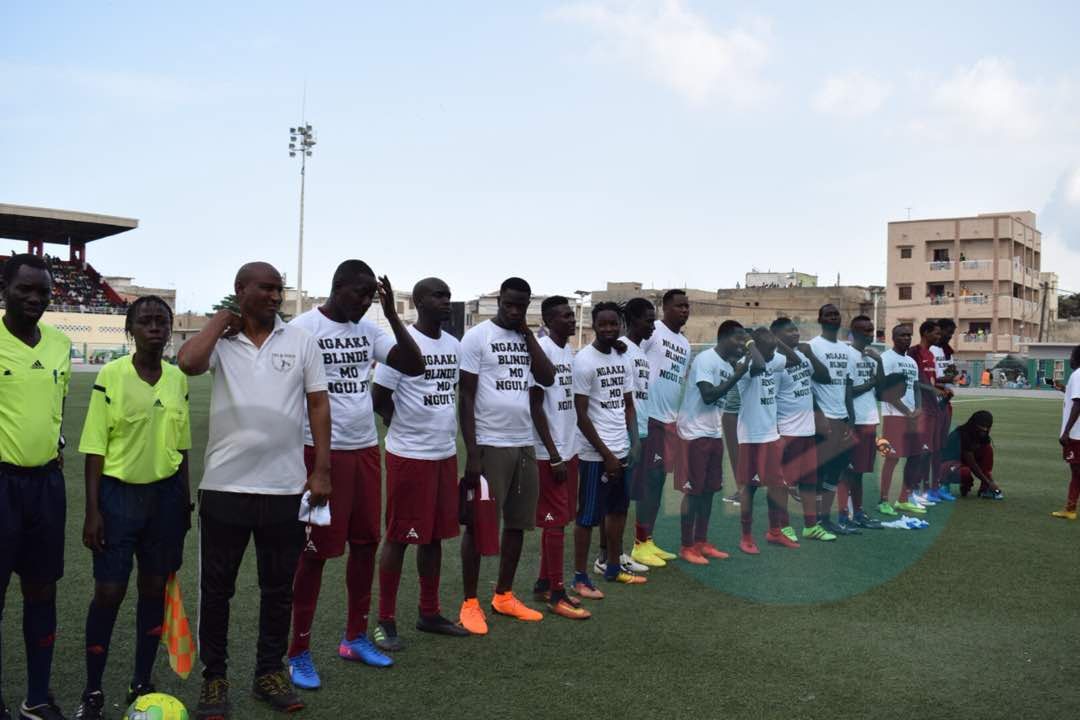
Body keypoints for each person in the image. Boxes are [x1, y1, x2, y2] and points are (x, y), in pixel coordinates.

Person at [177, 262, 331, 717]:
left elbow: (318, 405)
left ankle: (269, 672)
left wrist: (321, 469)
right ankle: (214, 679)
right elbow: (188, 363)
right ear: (240, 289)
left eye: (278, 289)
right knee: (217, 591)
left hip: (284, 488)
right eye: (265, 288)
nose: (275, 296)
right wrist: (220, 321)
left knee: (278, 589)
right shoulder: (222, 342)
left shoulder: (300, 341)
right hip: (224, 486)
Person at [286, 261, 425, 688]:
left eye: (371, 296)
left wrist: (393, 315)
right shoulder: (303, 328)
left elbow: (413, 364)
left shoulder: (369, 330)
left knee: (365, 544)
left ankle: (354, 637)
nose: (366, 302)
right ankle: (298, 652)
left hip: (364, 449)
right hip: (317, 451)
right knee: (314, 554)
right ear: (337, 287)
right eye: (359, 293)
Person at [73, 297, 190, 720]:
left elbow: (182, 445)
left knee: (154, 589)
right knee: (109, 592)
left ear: (170, 329)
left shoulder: (177, 378)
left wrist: (185, 501)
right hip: (118, 498)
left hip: (165, 500)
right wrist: (93, 510)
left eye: (162, 321)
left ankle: (141, 680)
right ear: (131, 330)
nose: (155, 328)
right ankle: (92, 690)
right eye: (145, 321)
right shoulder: (111, 374)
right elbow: (94, 446)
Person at [371, 277, 473, 647]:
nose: (446, 301)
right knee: (400, 536)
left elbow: (451, 393)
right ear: (419, 301)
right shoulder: (401, 344)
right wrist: (398, 420)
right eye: (438, 295)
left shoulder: (454, 344)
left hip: (444, 453)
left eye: (448, 295)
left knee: (434, 537)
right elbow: (379, 396)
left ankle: (429, 612)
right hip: (410, 455)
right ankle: (385, 620)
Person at [457, 277, 556, 634]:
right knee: (479, 524)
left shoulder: (527, 338)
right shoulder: (477, 337)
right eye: (509, 304)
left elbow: (547, 377)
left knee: (517, 524)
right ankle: (470, 603)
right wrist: (473, 453)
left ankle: (504, 595)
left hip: (523, 443)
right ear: (499, 301)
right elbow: (466, 397)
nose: (515, 311)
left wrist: (528, 335)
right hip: (489, 443)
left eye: (521, 306)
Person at [0, 254, 71, 720]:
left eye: (42, 291)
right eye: (24, 288)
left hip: (46, 485)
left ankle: (37, 697)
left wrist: (54, 443)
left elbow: (56, 407)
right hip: (1, 485)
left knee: (42, 591)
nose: (34, 298)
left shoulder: (60, 344)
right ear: (5, 288)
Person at [527, 296, 590, 619]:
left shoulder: (568, 351)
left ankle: (543, 583)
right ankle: (556, 593)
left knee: (561, 518)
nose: (571, 319)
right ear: (549, 321)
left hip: (569, 447)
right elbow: (535, 405)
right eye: (565, 316)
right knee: (554, 522)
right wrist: (552, 454)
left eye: (571, 315)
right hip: (549, 452)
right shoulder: (543, 350)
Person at [571, 303, 643, 585]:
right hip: (595, 454)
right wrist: (606, 454)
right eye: (603, 324)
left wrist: (633, 442)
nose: (609, 329)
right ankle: (580, 576)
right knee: (588, 517)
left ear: (620, 325)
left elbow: (628, 404)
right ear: (594, 325)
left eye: (614, 323)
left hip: (621, 448)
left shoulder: (622, 357)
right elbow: (580, 415)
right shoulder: (584, 361)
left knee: (618, 510)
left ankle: (613, 567)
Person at [673, 321, 746, 564]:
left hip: (713, 433)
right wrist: (737, 376)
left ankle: (701, 542)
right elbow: (708, 395)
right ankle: (686, 545)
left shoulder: (726, 364)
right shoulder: (706, 359)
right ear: (723, 337)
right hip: (694, 433)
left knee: (708, 491)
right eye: (738, 338)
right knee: (693, 492)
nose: (741, 344)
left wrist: (736, 370)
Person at [633, 290, 691, 561]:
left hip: (669, 421)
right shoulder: (653, 330)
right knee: (649, 481)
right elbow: (631, 354)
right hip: (650, 417)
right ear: (665, 308)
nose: (684, 310)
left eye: (687, 306)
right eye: (679, 306)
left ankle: (648, 539)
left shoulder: (685, 343)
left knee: (658, 483)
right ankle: (638, 544)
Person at [770, 318, 834, 542]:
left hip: (807, 430)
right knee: (784, 483)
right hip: (787, 431)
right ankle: (784, 526)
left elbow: (816, 383)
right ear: (776, 336)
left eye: (796, 330)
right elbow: (770, 399)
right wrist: (776, 431)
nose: (796, 334)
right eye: (789, 331)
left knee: (808, 482)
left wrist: (820, 415)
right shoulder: (775, 363)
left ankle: (810, 526)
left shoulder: (803, 356)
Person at [734, 327, 795, 553]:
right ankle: (746, 537)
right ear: (756, 347)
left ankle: (774, 532)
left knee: (777, 486)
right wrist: (751, 344)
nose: (773, 355)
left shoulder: (771, 357)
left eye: (774, 350)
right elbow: (759, 365)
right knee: (750, 488)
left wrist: (776, 341)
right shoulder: (745, 364)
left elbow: (795, 360)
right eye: (769, 350)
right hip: (751, 437)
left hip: (771, 435)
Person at [805, 304, 857, 536]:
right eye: (828, 314)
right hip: (823, 419)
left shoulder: (846, 350)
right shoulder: (813, 346)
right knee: (820, 470)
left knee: (836, 470)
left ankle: (825, 517)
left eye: (836, 314)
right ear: (820, 319)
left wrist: (850, 418)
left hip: (842, 418)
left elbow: (847, 385)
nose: (833, 317)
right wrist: (819, 415)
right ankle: (815, 519)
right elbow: (807, 386)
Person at [837, 315, 884, 532]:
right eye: (865, 330)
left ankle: (858, 512)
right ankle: (843, 515)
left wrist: (880, 362)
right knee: (847, 471)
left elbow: (881, 391)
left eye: (871, 329)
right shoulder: (848, 355)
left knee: (859, 471)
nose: (870, 334)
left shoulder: (871, 357)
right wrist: (871, 382)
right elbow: (848, 391)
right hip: (854, 421)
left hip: (870, 419)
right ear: (854, 333)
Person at [621, 298, 659, 571]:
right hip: (627, 434)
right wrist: (632, 436)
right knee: (620, 498)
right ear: (633, 320)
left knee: (641, 490)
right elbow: (624, 400)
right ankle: (615, 554)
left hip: (643, 429)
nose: (652, 326)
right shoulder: (622, 350)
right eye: (648, 320)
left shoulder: (639, 352)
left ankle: (641, 544)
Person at [878, 324, 925, 515]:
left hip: (912, 416)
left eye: (909, 335)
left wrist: (918, 408)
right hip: (894, 415)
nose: (906, 338)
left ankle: (903, 499)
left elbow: (916, 387)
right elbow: (886, 391)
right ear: (893, 337)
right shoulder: (886, 358)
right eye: (902, 335)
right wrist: (906, 411)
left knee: (916, 455)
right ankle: (883, 501)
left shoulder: (911, 361)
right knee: (892, 458)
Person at [909, 320, 950, 506]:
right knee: (922, 451)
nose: (939, 337)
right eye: (936, 333)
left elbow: (930, 381)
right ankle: (913, 489)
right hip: (922, 408)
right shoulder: (914, 352)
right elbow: (916, 380)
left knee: (933, 450)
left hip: (934, 407)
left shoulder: (931, 354)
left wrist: (940, 388)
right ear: (925, 333)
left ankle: (928, 488)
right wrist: (934, 390)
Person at [940, 411, 1001, 499]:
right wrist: (989, 483)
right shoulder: (962, 434)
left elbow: (983, 462)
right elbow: (972, 464)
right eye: (982, 426)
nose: (985, 430)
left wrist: (989, 481)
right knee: (965, 472)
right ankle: (944, 484)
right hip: (947, 465)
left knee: (987, 449)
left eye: (987, 427)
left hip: (962, 462)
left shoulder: (982, 434)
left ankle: (984, 489)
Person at [931, 319, 958, 501]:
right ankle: (925, 486)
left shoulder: (947, 351)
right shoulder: (930, 350)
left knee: (940, 446)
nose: (949, 336)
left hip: (946, 402)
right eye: (948, 332)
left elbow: (951, 374)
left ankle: (939, 484)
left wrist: (950, 377)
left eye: (952, 333)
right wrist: (945, 379)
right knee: (929, 447)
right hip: (932, 403)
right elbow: (927, 378)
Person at [1052, 345, 1080, 520]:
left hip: (1076, 435)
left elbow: (1078, 403)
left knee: (1077, 471)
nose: (1070, 358)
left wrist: (1066, 432)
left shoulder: (1077, 375)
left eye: (1071, 355)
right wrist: (1064, 388)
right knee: (1077, 472)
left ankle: (1070, 509)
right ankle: (1070, 508)